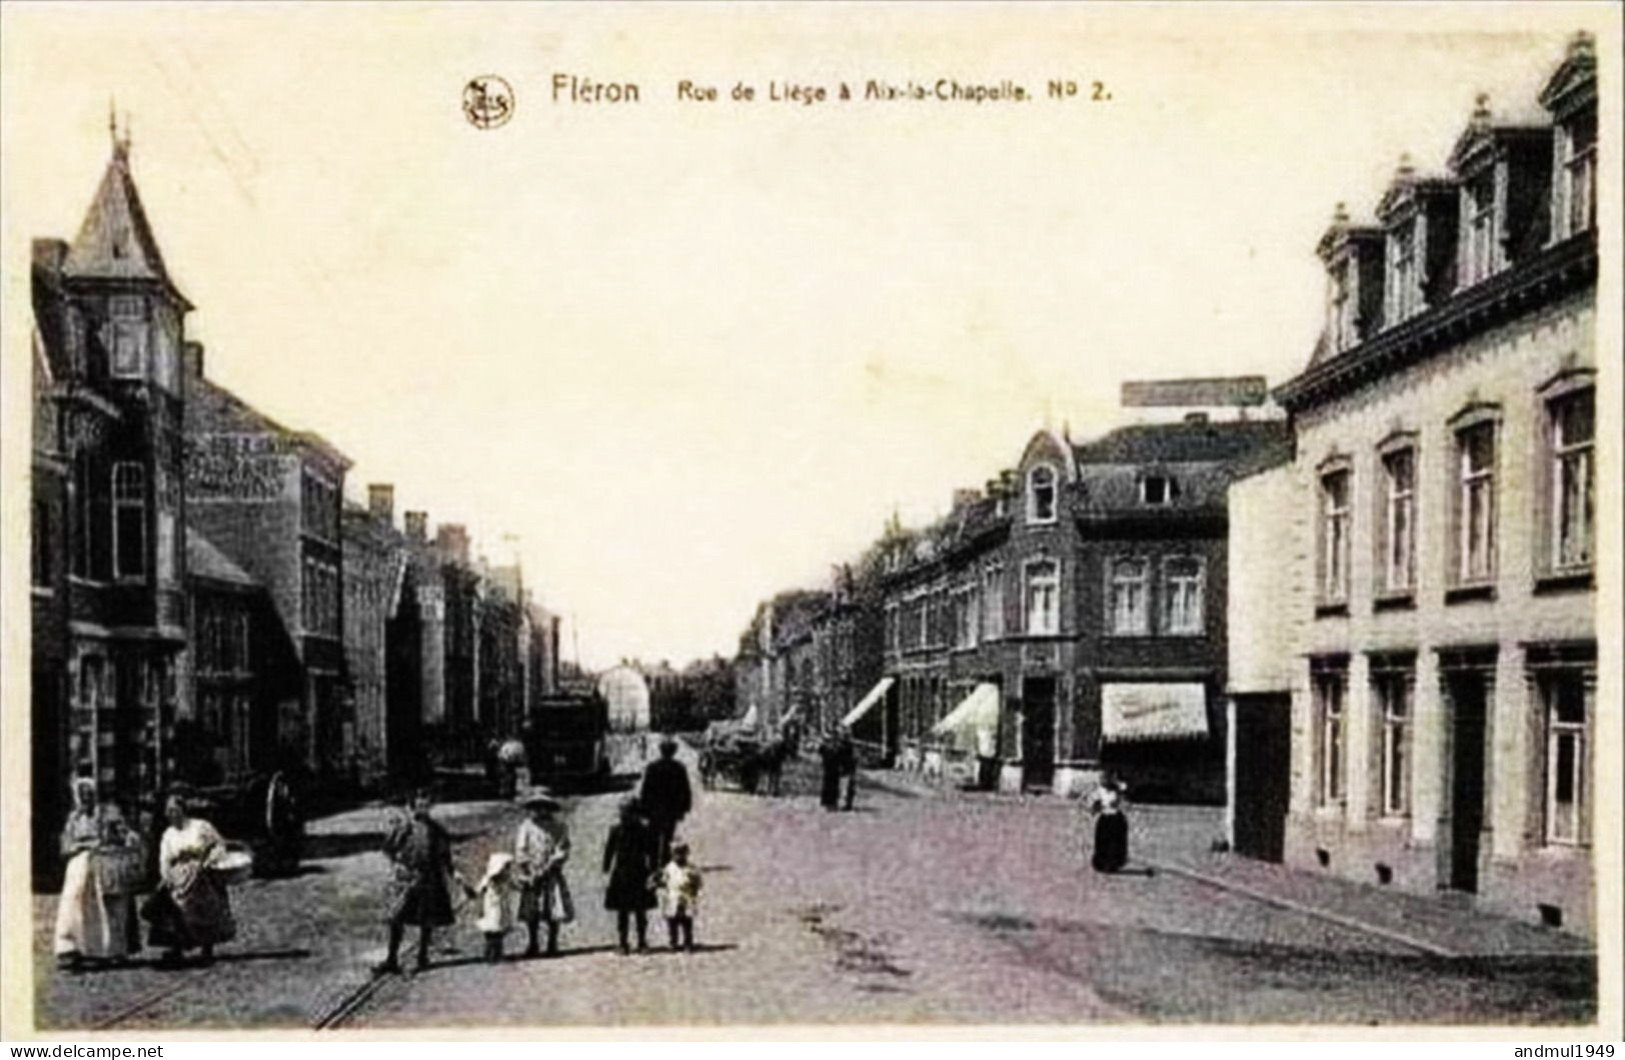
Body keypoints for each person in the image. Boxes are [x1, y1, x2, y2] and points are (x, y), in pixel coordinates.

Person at [53, 779, 144, 972]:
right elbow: (66, 845)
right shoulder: (74, 818)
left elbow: (122, 833)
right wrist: (79, 846)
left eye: (89, 794)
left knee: (104, 908)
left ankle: (106, 949)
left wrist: (124, 838)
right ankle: (71, 947)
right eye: (82, 794)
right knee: (73, 906)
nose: (86, 798)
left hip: (101, 865)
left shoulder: (105, 814)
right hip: (77, 867)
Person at [377, 788, 462, 974]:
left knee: (426, 918)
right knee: (396, 917)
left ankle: (422, 955)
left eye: (427, 802)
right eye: (419, 802)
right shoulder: (403, 827)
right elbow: (388, 848)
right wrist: (398, 865)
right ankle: (392, 959)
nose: (423, 806)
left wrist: (454, 875)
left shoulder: (437, 830)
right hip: (406, 879)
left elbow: (445, 857)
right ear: (412, 803)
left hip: (429, 878)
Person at [146, 794, 237, 966]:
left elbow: (218, 845)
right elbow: (164, 859)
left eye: (174, 810)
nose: (171, 815)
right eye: (168, 811)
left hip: (200, 873)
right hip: (179, 875)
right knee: (175, 911)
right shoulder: (169, 834)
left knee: (205, 909)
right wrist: (166, 876)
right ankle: (178, 947)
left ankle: (207, 947)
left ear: (183, 810)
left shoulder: (200, 826)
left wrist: (209, 861)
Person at [514, 790, 573, 958]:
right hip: (532, 874)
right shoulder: (526, 827)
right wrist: (527, 868)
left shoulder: (559, 827)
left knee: (553, 908)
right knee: (532, 909)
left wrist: (551, 864)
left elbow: (563, 848)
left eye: (544, 807)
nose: (541, 811)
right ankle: (533, 943)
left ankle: (552, 943)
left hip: (551, 874)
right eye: (537, 807)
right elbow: (520, 849)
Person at [601, 796, 658, 954]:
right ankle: (622, 942)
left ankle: (642, 941)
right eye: (623, 812)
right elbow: (609, 850)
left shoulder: (644, 831)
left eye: (629, 812)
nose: (625, 816)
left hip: (640, 872)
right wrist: (606, 867)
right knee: (622, 911)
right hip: (621, 873)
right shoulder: (616, 830)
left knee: (641, 911)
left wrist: (654, 871)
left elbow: (652, 852)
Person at [638, 736, 692, 865]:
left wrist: (643, 809)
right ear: (674, 752)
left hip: (654, 810)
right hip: (671, 811)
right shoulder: (679, 768)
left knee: (653, 837)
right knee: (668, 836)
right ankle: (665, 863)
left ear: (660, 751)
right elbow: (685, 790)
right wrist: (684, 808)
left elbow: (646, 790)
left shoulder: (652, 767)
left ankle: (653, 864)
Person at [656, 840, 703, 953]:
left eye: (681, 853)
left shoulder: (691, 868)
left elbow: (698, 882)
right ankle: (673, 942)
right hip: (673, 898)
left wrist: (694, 890)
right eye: (676, 853)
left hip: (686, 897)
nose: (679, 856)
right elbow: (664, 881)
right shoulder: (669, 868)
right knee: (673, 923)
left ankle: (688, 943)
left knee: (686, 922)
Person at [475, 852, 517, 963]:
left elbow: (515, 885)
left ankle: (497, 953)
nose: (508, 869)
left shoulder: (507, 878)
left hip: (501, 909)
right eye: (506, 867)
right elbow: (479, 891)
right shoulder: (488, 880)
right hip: (491, 909)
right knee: (491, 933)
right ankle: (489, 954)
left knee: (499, 933)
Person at [263, 772, 303, 877]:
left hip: (286, 821)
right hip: (280, 821)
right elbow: (271, 808)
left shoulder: (283, 788)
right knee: (280, 844)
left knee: (286, 843)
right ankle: (282, 865)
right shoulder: (275, 790)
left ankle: (287, 865)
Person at [1087, 774, 1129, 873]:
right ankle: (1102, 863)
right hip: (1104, 818)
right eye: (1103, 781)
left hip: (1116, 818)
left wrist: (1116, 786)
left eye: (1106, 780)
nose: (1104, 783)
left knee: (1115, 842)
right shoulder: (1098, 792)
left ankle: (1113, 864)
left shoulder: (1117, 790)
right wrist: (1096, 807)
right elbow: (1092, 806)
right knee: (1102, 841)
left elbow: (1124, 788)